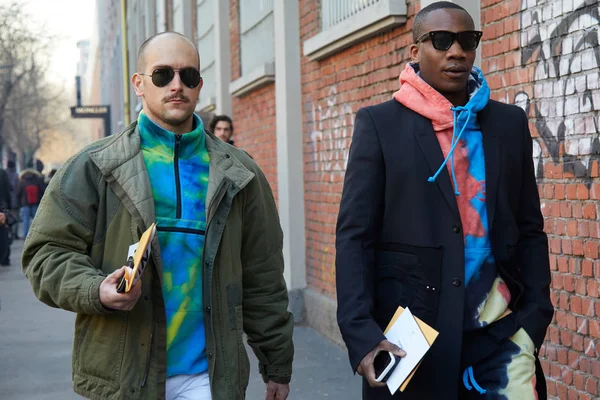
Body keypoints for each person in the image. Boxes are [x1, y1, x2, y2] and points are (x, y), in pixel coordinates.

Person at [22, 31, 293, 400]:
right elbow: (45, 254)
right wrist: (95, 289)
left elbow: (263, 274)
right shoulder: (95, 166)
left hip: (209, 378)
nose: (177, 86)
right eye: (163, 75)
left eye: (188, 76)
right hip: (126, 376)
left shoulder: (239, 173)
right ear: (139, 84)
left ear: (199, 85)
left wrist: (277, 363)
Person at [335, 2, 553, 399]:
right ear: (416, 51)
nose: (457, 51)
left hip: (501, 336)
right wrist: (362, 335)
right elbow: (355, 237)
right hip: (412, 340)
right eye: (441, 40)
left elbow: (529, 229)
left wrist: (535, 317)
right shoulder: (380, 125)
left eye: (467, 40)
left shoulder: (508, 125)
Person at [16, 167, 44, 239]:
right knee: (36, 219)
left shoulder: (22, 181)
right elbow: (42, 191)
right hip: (36, 203)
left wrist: (20, 201)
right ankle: (38, 234)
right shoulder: (37, 180)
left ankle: (26, 235)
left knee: (26, 220)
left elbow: (18, 193)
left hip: (25, 203)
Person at [6, 160, 20, 240]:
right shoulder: (15, 175)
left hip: (5, 201)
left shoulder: (4, 175)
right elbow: (18, 189)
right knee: (15, 218)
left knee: (6, 217)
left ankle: (8, 233)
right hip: (15, 201)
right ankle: (15, 234)